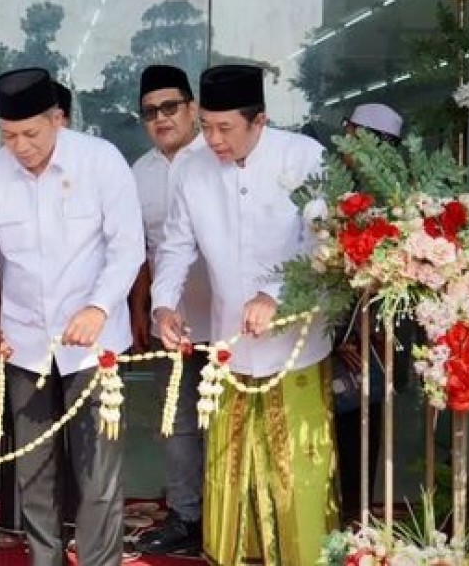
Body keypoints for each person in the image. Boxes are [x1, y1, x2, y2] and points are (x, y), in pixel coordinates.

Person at [0, 67, 145, 566]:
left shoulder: (100, 161)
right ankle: (45, 559)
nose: (19, 146)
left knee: (97, 472)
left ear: (56, 120)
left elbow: (127, 247)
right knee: (34, 473)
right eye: (8, 134)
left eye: (31, 134)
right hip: (24, 345)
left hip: (94, 344)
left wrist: (99, 306)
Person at [151, 64, 336, 565]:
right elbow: (175, 247)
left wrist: (276, 295)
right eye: (206, 125)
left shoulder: (304, 158)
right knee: (230, 468)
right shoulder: (190, 170)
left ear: (260, 120)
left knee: (295, 466)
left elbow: (324, 244)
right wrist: (163, 303)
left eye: (225, 127)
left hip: (295, 345)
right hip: (229, 345)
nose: (212, 138)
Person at [127, 65, 212, 556]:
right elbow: (139, 250)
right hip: (169, 320)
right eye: (150, 112)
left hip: (227, 322)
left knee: (223, 420)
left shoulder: (218, 157)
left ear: (193, 108)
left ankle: (228, 514)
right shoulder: (138, 172)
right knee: (177, 421)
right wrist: (141, 311)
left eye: (170, 107)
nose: (161, 119)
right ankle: (186, 516)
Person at [334, 102, 404, 522]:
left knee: (363, 424)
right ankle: (343, 513)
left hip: (370, 340)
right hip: (328, 336)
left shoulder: (394, 201)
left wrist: (361, 337)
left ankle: (354, 515)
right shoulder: (331, 190)